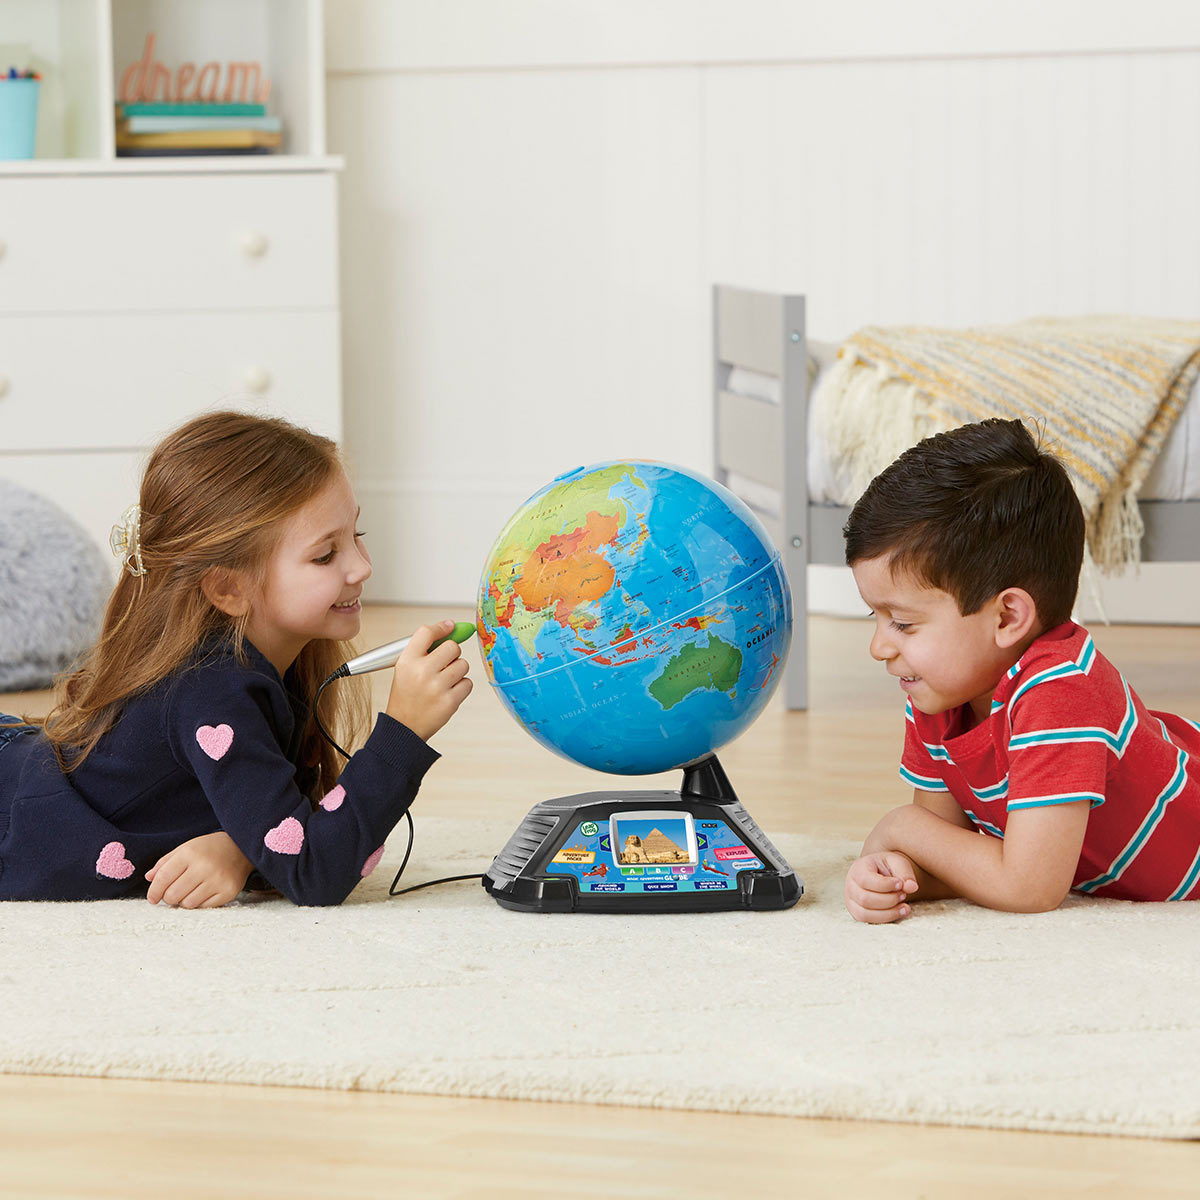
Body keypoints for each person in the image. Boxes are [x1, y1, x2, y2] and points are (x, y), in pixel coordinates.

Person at [0, 411, 472, 907]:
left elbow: (289, 820)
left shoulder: (265, 663)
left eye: (357, 534)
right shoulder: (212, 690)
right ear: (228, 587)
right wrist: (402, 733)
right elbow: (316, 871)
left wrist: (240, 849)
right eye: (324, 555)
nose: (362, 566)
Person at [841, 417, 1200, 923]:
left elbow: (1030, 886)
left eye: (902, 622)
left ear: (1007, 616)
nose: (880, 647)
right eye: (875, 617)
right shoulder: (938, 692)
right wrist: (893, 873)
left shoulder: (1061, 690)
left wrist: (900, 828)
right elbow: (951, 848)